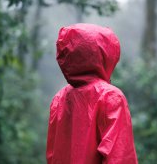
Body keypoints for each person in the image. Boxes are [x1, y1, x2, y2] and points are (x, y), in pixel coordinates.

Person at [46, 23, 138, 164]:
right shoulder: (110, 97)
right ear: (106, 54)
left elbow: (52, 156)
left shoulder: (59, 99)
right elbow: (120, 158)